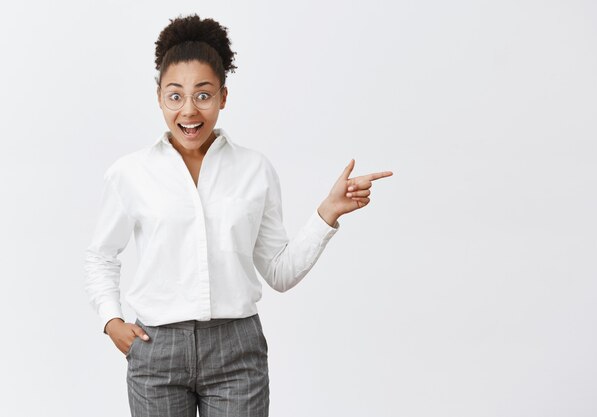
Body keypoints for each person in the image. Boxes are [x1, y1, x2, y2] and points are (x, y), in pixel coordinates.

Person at [84, 14, 393, 417]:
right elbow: (101, 255)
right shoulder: (130, 173)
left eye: (204, 94)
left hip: (236, 351)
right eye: (175, 95)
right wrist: (112, 321)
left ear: (223, 97)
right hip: (156, 351)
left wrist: (327, 213)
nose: (189, 110)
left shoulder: (255, 170)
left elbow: (279, 272)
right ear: (159, 96)